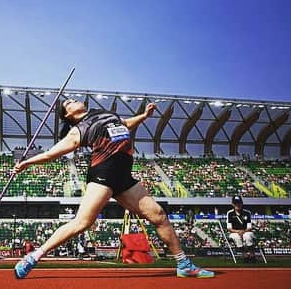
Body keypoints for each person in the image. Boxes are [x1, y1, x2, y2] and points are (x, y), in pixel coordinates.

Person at [13, 99, 214, 278]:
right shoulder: (79, 129)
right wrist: (27, 162)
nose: (74, 100)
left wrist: (144, 116)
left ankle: (183, 264)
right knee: (82, 222)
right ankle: (34, 257)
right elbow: (51, 154)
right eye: (68, 103)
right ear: (68, 115)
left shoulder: (107, 114)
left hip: (124, 176)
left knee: (159, 216)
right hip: (104, 172)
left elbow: (125, 124)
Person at [227, 195, 255, 260]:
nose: (238, 205)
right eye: (236, 203)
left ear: (242, 203)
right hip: (234, 232)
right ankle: (245, 255)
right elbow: (229, 228)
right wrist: (238, 231)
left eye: (239, 203)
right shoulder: (230, 213)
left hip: (246, 231)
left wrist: (243, 231)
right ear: (233, 204)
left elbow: (249, 227)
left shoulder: (247, 213)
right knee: (236, 237)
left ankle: (252, 254)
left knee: (247, 236)